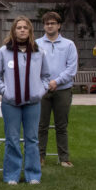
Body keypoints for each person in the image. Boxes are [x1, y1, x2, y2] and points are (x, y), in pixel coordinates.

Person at [0, 17, 50, 185]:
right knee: (12, 139)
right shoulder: (3, 52)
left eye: (25, 27)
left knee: (32, 139)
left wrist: (40, 91)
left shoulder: (39, 52)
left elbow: (46, 76)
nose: (22, 30)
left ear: (30, 31)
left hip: (33, 102)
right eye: (19, 27)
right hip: (11, 103)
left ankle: (33, 175)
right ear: (13, 31)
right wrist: (4, 91)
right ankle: (12, 175)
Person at [37, 11, 78, 168]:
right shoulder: (36, 44)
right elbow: (34, 66)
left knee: (61, 126)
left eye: (53, 23)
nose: (50, 26)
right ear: (44, 26)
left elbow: (71, 68)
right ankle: (39, 157)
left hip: (63, 89)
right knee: (41, 125)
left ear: (59, 25)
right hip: (42, 90)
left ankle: (64, 158)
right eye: (47, 23)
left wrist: (57, 81)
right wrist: (45, 83)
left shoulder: (69, 45)